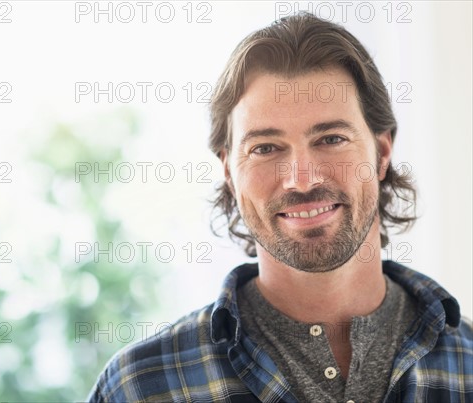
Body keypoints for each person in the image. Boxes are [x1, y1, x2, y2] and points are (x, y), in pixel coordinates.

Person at [87, 13, 472, 402]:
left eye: (331, 138)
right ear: (229, 171)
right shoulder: (138, 386)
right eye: (265, 148)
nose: (302, 179)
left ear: (382, 151)